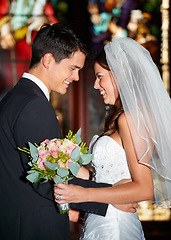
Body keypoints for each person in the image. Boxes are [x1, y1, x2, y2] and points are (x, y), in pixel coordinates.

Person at [0, 22, 118, 240]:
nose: (76, 78)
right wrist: (110, 199)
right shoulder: (33, 105)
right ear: (48, 60)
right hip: (33, 229)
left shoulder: (18, 98)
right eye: (73, 68)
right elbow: (47, 178)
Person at [54, 37, 171, 239]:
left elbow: (144, 188)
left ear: (120, 74)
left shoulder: (130, 119)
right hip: (103, 218)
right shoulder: (122, 117)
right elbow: (107, 178)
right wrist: (66, 161)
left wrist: (83, 194)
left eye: (100, 76)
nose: (95, 84)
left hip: (115, 225)